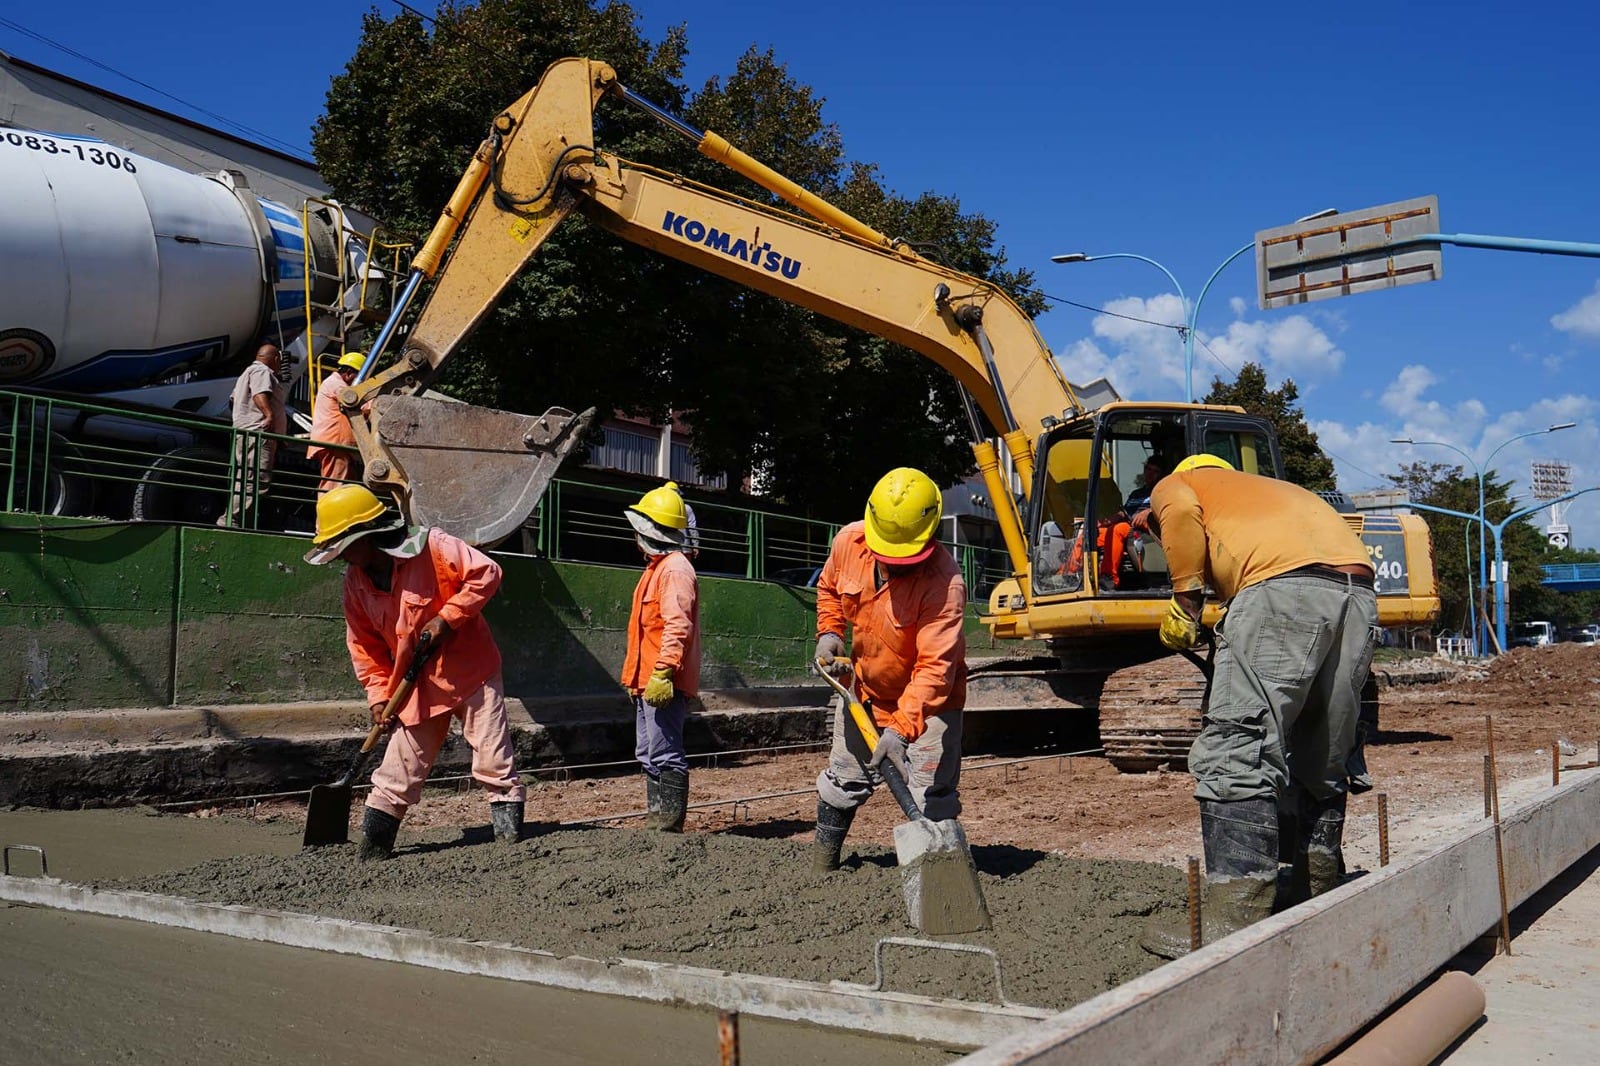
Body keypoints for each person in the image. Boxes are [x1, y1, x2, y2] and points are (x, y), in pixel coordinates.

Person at [1138, 454, 1380, 958]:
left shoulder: (1179, 484)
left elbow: (1180, 515)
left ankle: (1236, 915)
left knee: (1236, 749)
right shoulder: (1281, 493)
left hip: (1281, 593)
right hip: (1357, 596)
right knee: (1322, 749)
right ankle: (1315, 885)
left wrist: (1185, 603)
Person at [304, 484, 525, 860]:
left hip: (472, 672)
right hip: (416, 684)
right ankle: (373, 851)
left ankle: (509, 845)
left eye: (343, 547)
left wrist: (447, 618)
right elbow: (364, 647)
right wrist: (379, 697)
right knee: (396, 772)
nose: (341, 558)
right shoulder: (356, 584)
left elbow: (487, 573)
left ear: (367, 536)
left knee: (492, 757)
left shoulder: (433, 547)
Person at [812, 467, 967, 873]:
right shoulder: (848, 542)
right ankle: (822, 868)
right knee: (842, 780)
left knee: (930, 796)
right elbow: (828, 587)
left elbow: (935, 669)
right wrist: (829, 632)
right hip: (864, 694)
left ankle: (937, 886)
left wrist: (900, 730)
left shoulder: (945, 583)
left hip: (930, 708)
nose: (895, 564)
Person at [621, 481, 701, 832]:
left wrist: (664, 672)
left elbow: (676, 626)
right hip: (647, 681)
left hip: (662, 680)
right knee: (647, 751)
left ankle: (668, 825)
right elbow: (644, 632)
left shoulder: (675, 569)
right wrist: (634, 678)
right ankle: (657, 820)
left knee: (665, 753)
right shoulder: (655, 569)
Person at [220, 342, 286, 527]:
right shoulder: (262, 371)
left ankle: (235, 520)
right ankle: (234, 521)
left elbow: (233, 401)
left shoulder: (246, 373)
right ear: (275, 359)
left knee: (245, 477)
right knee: (256, 480)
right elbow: (259, 394)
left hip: (246, 430)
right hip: (258, 433)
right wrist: (269, 415)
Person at [307, 351, 366, 495]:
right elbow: (356, 403)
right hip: (335, 442)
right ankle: (327, 516)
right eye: (360, 377)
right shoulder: (337, 385)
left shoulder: (334, 383)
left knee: (346, 486)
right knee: (334, 486)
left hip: (337, 443)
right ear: (349, 373)